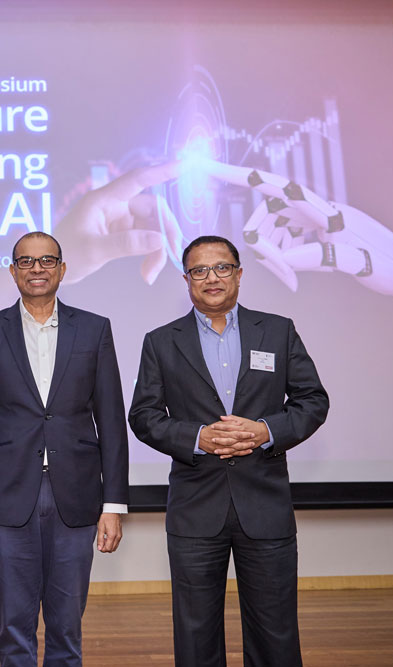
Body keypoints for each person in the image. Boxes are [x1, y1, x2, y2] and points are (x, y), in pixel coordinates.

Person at [127, 235, 329, 667]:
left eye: (221, 268)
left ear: (239, 274)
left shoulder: (277, 330)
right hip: (195, 507)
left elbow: (313, 401)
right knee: (196, 634)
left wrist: (264, 431)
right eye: (199, 270)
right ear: (186, 280)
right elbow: (143, 415)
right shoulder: (161, 341)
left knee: (275, 631)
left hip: (265, 503)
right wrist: (195, 438)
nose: (211, 278)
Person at [0, 231, 129, 666]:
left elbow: (111, 421)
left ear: (62, 269)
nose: (37, 269)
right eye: (26, 261)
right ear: (13, 270)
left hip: (75, 496)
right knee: (15, 626)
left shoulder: (94, 329)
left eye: (47, 261)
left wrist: (113, 503)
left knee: (66, 627)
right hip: (5, 498)